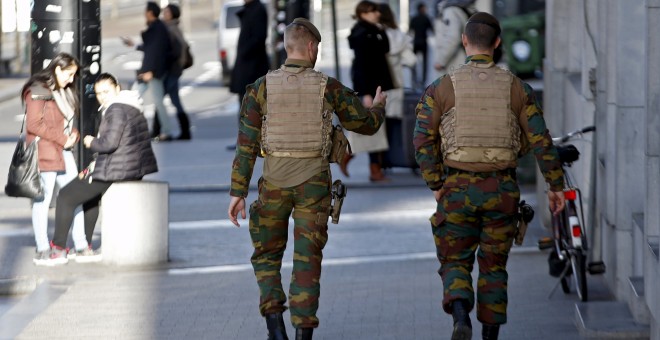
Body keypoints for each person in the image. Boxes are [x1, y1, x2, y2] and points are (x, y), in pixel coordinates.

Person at [227, 18, 386, 340]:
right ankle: (303, 333)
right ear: (312, 47)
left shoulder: (260, 88)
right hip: (314, 182)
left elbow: (245, 145)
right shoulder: (328, 86)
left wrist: (238, 192)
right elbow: (365, 125)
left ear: (288, 47)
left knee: (267, 255)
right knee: (307, 258)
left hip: (273, 182)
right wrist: (379, 108)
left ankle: (275, 326)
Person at [413, 12, 566, 340]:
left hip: (456, 187)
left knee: (455, 258)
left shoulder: (441, 88)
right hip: (503, 189)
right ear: (498, 44)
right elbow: (541, 140)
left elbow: (422, 139)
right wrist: (556, 185)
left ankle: (460, 315)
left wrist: (436, 183)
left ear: (464, 41)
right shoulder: (518, 88)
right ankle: (490, 336)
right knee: (494, 267)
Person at [41, 73, 158, 265]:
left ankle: (58, 249)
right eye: (99, 93)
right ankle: (85, 248)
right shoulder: (131, 104)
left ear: (117, 88)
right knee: (90, 197)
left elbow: (109, 144)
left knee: (65, 196)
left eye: (106, 91)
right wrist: (92, 167)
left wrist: (90, 142)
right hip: (130, 166)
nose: (102, 96)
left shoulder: (116, 109)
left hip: (119, 169)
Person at [23, 52, 91, 265]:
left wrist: (74, 135)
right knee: (42, 201)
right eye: (69, 74)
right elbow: (34, 124)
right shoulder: (37, 89)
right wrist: (63, 138)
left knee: (76, 196)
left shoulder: (65, 91)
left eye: (73, 75)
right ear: (57, 68)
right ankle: (42, 248)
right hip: (45, 152)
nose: (71, 79)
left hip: (63, 151)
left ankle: (80, 245)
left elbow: (70, 120)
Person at [343, 0, 394, 181]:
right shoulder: (362, 34)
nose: (377, 14)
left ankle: (355, 158)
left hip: (376, 86)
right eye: (373, 11)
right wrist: (365, 93)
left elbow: (386, 48)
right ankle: (372, 168)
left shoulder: (373, 31)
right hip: (369, 89)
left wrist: (381, 29)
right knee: (374, 128)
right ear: (363, 13)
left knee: (375, 128)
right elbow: (361, 67)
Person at [122, 1, 174, 141]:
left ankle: (166, 131)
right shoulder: (158, 28)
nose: (144, 14)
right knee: (135, 97)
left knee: (151, 100)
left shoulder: (157, 29)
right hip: (150, 71)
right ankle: (132, 129)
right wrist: (134, 45)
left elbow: (156, 52)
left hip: (152, 72)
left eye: (146, 11)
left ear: (150, 13)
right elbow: (150, 48)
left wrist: (150, 71)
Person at [227, 0, 269, 150]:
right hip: (246, 66)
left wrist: (245, 52)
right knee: (245, 104)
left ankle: (250, 141)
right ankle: (245, 140)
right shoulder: (250, 9)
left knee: (252, 105)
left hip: (252, 67)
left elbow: (258, 38)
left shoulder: (258, 10)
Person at [379, 3, 416, 120]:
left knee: (377, 121)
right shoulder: (399, 36)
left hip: (376, 86)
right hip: (396, 84)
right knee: (394, 122)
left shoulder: (372, 35)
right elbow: (412, 60)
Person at [162, 3, 192, 140]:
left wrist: (168, 60)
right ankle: (185, 131)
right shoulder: (172, 27)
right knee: (174, 100)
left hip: (172, 70)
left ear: (173, 14)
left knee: (160, 98)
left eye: (167, 12)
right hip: (174, 70)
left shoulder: (171, 29)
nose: (164, 14)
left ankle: (160, 130)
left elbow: (178, 50)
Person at [433, 0, 477, 76]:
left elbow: (452, 37)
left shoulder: (451, 11)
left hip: (455, 63)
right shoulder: (465, 9)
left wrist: (441, 61)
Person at [409, 2, 434, 87]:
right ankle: (423, 81)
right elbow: (432, 30)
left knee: (413, 62)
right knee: (425, 63)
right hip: (423, 42)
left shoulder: (414, 18)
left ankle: (414, 80)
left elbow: (410, 31)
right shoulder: (426, 18)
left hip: (415, 42)